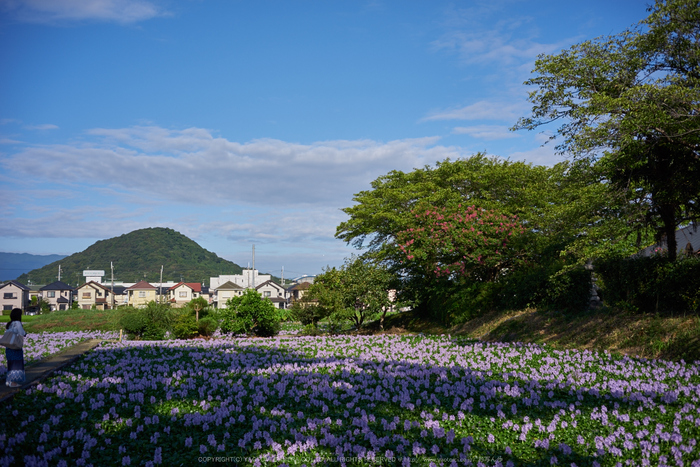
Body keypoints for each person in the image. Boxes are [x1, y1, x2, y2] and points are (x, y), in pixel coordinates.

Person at [4, 308, 27, 387]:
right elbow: (21, 333)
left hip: (9, 347)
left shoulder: (9, 324)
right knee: (16, 364)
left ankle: (8, 380)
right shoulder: (17, 323)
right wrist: (25, 333)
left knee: (11, 363)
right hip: (15, 347)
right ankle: (13, 383)